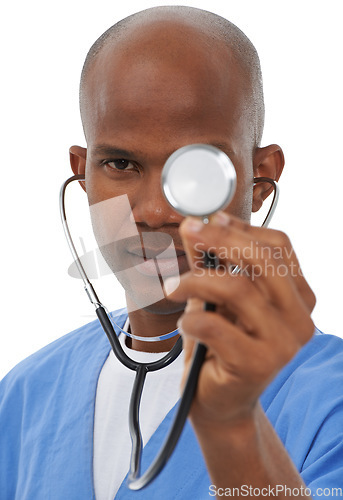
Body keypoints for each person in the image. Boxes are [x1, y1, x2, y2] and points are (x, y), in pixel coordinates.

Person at [1, 5, 343, 499]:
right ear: (82, 173)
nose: (158, 211)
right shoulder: (22, 397)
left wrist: (232, 428)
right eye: (120, 163)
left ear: (259, 179)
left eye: (197, 172)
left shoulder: (329, 400)